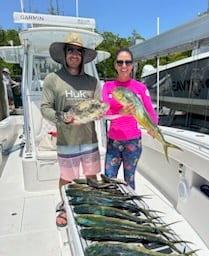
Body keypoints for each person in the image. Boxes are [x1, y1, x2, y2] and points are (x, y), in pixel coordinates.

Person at [40, 32, 102, 228]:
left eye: (78, 51)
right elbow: (45, 108)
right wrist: (63, 118)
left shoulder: (92, 81)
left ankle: (91, 206)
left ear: (83, 56)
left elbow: (98, 106)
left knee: (92, 176)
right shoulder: (53, 79)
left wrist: (100, 113)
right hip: (67, 140)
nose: (75, 54)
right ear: (65, 54)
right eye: (71, 50)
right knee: (67, 177)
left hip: (90, 138)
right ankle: (66, 207)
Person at [102, 47, 158, 190]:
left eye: (128, 62)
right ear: (115, 65)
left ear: (132, 65)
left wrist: (154, 129)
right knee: (109, 180)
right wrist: (121, 111)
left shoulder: (140, 87)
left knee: (129, 181)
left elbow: (150, 114)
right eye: (120, 62)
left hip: (133, 141)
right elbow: (104, 112)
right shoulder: (108, 86)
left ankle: (131, 210)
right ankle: (111, 210)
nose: (124, 66)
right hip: (113, 141)